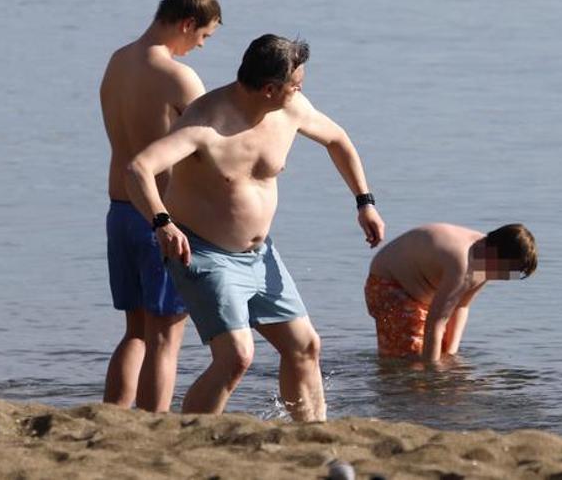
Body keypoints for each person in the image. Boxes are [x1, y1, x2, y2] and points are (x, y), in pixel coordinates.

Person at [125, 33, 385, 422]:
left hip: (261, 256)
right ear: (269, 89)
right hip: (205, 252)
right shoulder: (205, 124)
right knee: (236, 357)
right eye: (295, 85)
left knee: (305, 346)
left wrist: (364, 202)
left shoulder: (291, 110)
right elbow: (138, 169)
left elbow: (338, 140)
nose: (300, 91)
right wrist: (162, 222)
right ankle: (190, 436)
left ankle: (311, 434)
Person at [99, 0, 221, 412]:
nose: (200, 47)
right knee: (165, 338)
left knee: (135, 331)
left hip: (119, 209)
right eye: (202, 36)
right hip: (160, 216)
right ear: (187, 23)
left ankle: (112, 414)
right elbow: (214, 144)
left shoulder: (117, 62)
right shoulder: (176, 76)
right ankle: (154, 427)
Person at [366, 223, 537, 363]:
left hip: (418, 295)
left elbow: (461, 306)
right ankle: (396, 397)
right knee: (411, 360)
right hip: (389, 286)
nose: (506, 278)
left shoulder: (486, 256)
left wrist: (450, 354)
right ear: (501, 257)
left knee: (438, 355)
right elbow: (436, 321)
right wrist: (433, 373)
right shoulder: (463, 264)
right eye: (509, 271)